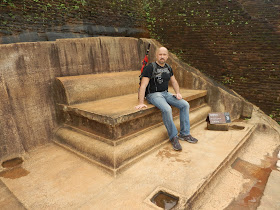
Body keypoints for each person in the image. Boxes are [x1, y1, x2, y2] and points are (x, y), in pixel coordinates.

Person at [135, 47, 198, 151]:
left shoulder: (168, 67)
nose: (162, 57)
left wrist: (178, 93)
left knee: (185, 104)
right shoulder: (150, 67)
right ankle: (173, 137)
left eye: (164, 55)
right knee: (167, 109)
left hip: (166, 93)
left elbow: (174, 81)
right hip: (153, 95)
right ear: (156, 55)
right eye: (160, 54)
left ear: (167, 56)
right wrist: (141, 102)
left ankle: (185, 134)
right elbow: (143, 86)